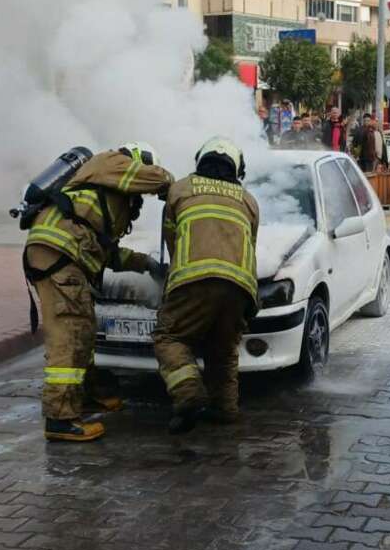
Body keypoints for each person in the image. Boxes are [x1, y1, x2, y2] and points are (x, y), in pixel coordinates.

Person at [24, 143, 174, 442]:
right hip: (60, 254)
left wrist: (146, 264)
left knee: (84, 330)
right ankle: (59, 419)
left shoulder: (106, 194)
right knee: (69, 333)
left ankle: (85, 396)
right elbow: (160, 177)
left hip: (63, 253)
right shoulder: (110, 162)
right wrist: (170, 185)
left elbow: (107, 253)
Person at [154, 137, 260, 434]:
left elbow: (171, 241)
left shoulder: (180, 189)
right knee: (223, 349)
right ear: (237, 168)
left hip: (192, 280)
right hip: (240, 286)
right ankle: (225, 409)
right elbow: (251, 245)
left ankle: (188, 393)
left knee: (169, 337)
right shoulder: (248, 200)